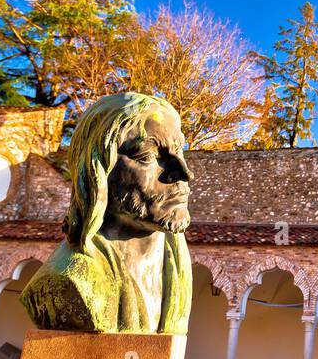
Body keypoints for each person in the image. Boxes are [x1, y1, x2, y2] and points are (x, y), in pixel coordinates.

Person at [20, 92, 195, 334]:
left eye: (179, 150)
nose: (184, 173)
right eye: (147, 157)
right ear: (97, 171)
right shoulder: (69, 279)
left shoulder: (175, 256)